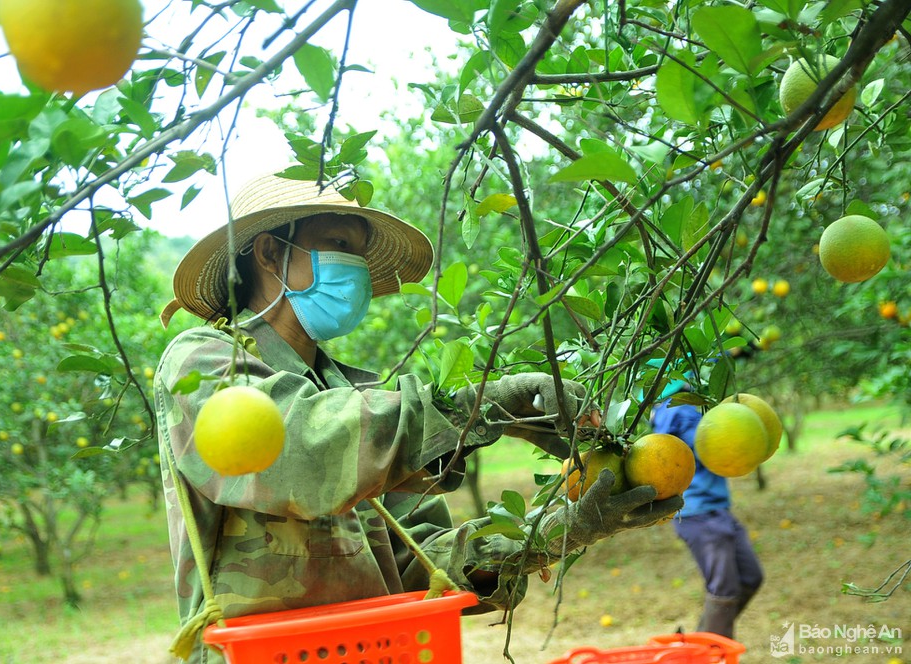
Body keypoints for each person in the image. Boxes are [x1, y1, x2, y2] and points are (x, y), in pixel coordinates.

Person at [155, 172, 684, 663]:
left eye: (360, 255)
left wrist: (552, 532)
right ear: (271, 252)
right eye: (340, 245)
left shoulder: (354, 396)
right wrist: (485, 406)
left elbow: (421, 565)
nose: (356, 269)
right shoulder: (203, 365)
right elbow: (301, 453)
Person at [650, 379, 763, 639]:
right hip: (698, 512)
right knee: (724, 588)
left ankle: (699, 641)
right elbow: (708, 450)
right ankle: (708, 652)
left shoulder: (686, 408)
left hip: (716, 508)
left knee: (749, 578)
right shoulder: (678, 409)